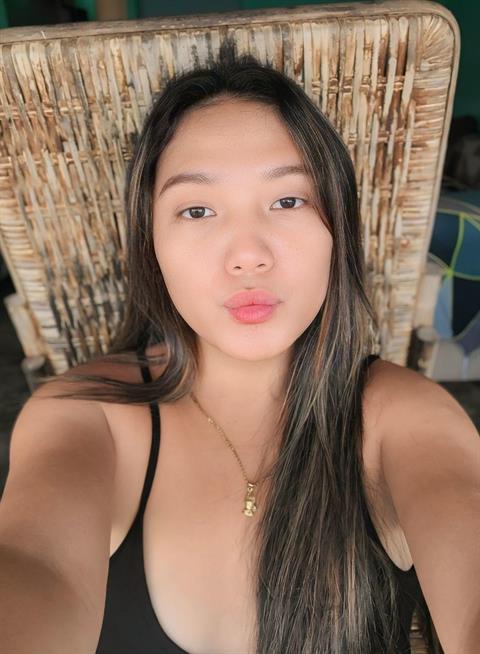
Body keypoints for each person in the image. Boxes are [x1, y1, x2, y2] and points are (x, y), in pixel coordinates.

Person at [1, 37, 479, 654]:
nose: (248, 254)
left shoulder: (402, 418)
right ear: (151, 245)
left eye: (288, 200)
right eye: (197, 211)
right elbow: (33, 562)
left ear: (338, 230)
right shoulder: (88, 416)